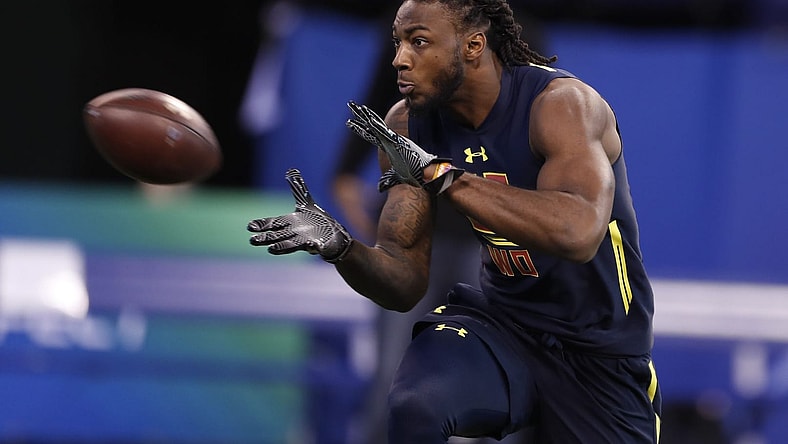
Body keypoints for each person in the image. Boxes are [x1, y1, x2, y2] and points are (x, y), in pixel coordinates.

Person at [248, 0, 662, 442]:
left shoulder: (561, 104)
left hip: (599, 350)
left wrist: (441, 176)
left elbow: (577, 232)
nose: (399, 58)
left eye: (419, 42)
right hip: (505, 327)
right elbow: (403, 281)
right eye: (398, 42)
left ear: (473, 45)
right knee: (417, 402)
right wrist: (344, 249)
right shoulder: (409, 123)